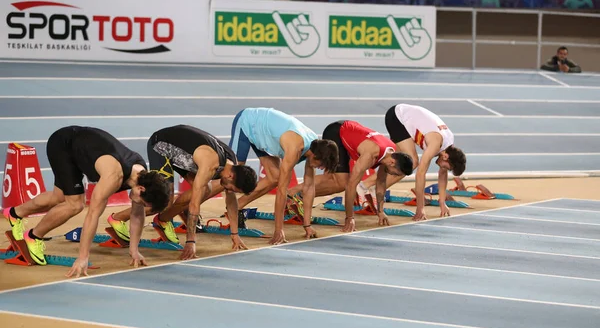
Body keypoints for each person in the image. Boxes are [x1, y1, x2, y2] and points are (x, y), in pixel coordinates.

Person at [2, 126, 170, 277]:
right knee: (75, 204)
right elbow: (92, 216)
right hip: (64, 144)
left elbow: (137, 214)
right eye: (143, 203)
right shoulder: (113, 177)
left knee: (58, 197)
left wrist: (134, 250)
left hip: (83, 147)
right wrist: (83, 257)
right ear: (141, 190)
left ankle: (15, 213)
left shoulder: (143, 176)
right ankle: (33, 236)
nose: (140, 206)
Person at [106, 124, 258, 260]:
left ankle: (163, 220)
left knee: (207, 189)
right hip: (162, 146)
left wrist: (235, 234)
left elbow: (231, 202)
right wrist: (190, 241)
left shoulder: (232, 164)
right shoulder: (210, 165)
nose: (229, 190)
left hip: (186, 156)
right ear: (231, 177)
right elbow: (194, 204)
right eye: (232, 188)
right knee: (165, 200)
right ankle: (118, 218)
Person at [216, 107, 339, 245]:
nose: (321, 168)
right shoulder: (295, 148)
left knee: (274, 177)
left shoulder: (315, 147)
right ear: (316, 156)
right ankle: (192, 205)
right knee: (230, 176)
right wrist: (278, 229)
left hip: (264, 135)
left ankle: (237, 208)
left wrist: (307, 225)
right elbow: (282, 191)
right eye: (322, 165)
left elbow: (309, 187)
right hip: (248, 123)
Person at [288, 120, 414, 233]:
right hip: (337, 133)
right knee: (342, 182)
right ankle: (293, 194)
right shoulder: (370, 155)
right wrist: (349, 218)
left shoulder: (390, 154)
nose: (392, 175)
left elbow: (380, 182)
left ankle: (297, 195)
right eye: (395, 173)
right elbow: (351, 186)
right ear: (392, 163)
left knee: (335, 180)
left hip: (350, 132)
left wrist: (380, 212)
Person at [361, 104, 466, 221]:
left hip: (406, 120)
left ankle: (367, 187)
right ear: (446, 157)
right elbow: (420, 174)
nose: (445, 168)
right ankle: (366, 186)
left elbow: (442, 175)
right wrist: (420, 208)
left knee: (395, 160)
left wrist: (442, 203)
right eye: (448, 167)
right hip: (398, 117)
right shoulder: (435, 143)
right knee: (412, 162)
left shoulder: (449, 146)